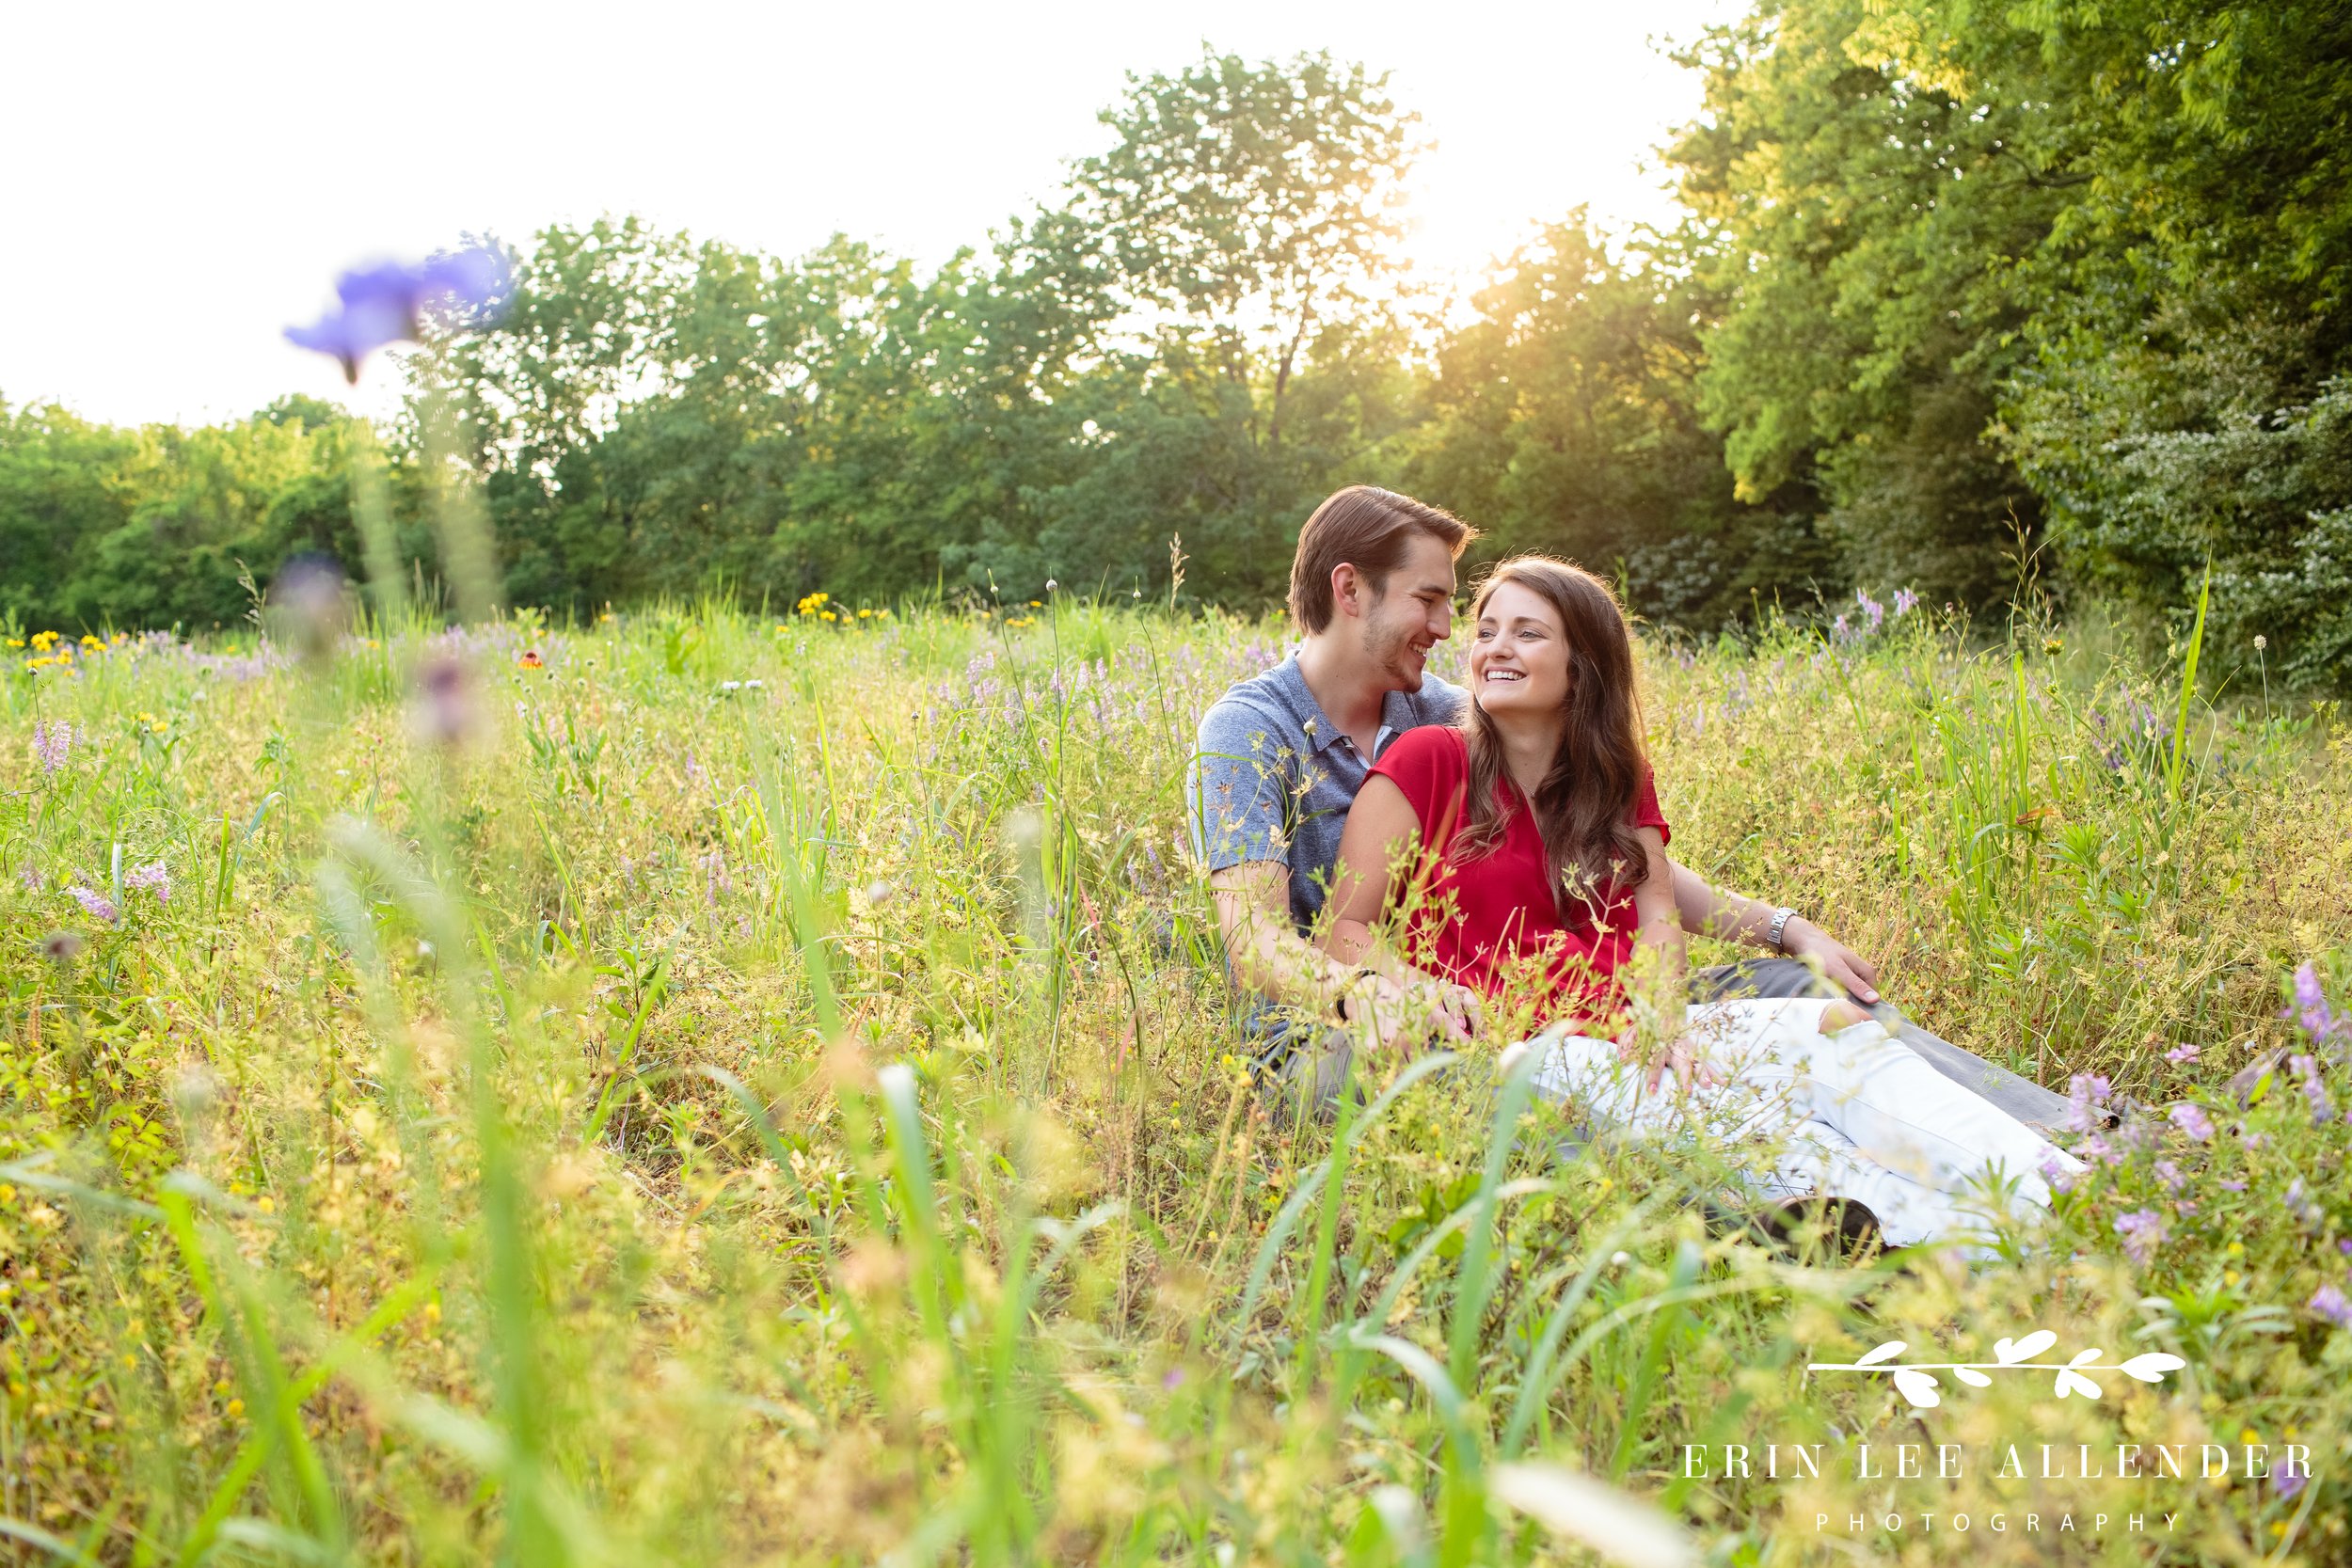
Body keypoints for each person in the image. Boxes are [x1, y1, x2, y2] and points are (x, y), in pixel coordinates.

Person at [1319, 554, 2083, 1248]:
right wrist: (1416, 987)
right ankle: (1981, 1243)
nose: (1493, 648)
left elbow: (1659, 916)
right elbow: (1344, 926)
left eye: (1527, 632)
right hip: (1531, 1049)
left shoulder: (1613, 780)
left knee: (1837, 1028)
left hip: (1643, 1025)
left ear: (1582, 669)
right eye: (1486, 631)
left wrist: (1660, 1019)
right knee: (1759, 1126)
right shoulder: (1427, 762)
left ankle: (2069, 1191)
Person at [1186, 484, 1886, 1110]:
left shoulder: (1455, 712)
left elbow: (1630, 866)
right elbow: (1256, 941)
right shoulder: (1249, 730)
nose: (1447, 629)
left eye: (1456, 607)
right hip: (1329, 1026)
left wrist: (1785, 927)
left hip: (1483, 1002)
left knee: (1785, 994)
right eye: (1429, 600)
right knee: (1462, 1079)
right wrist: (1378, 990)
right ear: (1351, 590)